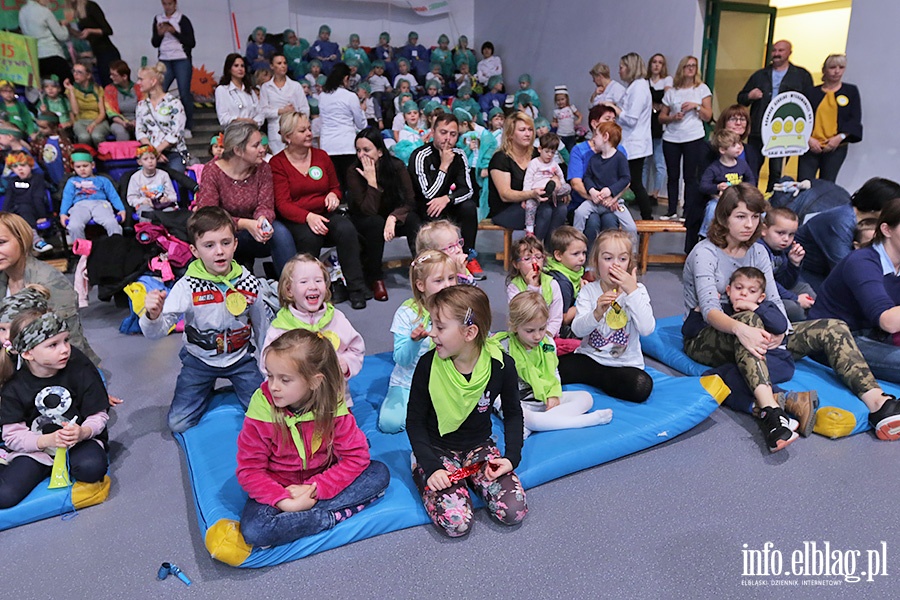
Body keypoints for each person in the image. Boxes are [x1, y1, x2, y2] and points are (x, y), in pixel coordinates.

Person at [683, 184, 900, 450]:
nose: (749, 224)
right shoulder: (704, 253)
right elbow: (710, 311)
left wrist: (781, 332)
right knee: (748, 322)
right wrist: (743, 330)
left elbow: (774, 301)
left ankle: (878, 401)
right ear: (723, 217)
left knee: (833, 327)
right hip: (706, 336)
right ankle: (770, 413)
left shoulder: (758, 251)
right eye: (741, 216)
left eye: (754, 217)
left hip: (758, 330)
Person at [237, 328, 389, 548]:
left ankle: (301, 520)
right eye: (270, 376)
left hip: (322, 479)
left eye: (285, 380)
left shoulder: (331, 405)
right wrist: (284, 501)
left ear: (314, 382)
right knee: (254, 530)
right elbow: (249, 470)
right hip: (280, 487)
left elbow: (356, 457)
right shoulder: (261, 409)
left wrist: (314, 488)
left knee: (379, 473)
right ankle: (328, 516)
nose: (274, 386)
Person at [406, 285, 527, 538]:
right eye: (433, 325)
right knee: (457, 523)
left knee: (514, 511)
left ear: (469, 332)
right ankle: (418, 463)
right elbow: (415, 422)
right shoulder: (428, 365)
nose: (432, 333)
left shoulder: (501, 365)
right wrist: (431, 467)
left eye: (440, 327)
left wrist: (510, 458)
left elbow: (514, 413)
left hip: (479, 448)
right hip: (436, 450)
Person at [140, 207, 267, 432]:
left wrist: (269, 365)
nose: (219, 251)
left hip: (240, 360)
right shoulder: (186, 287)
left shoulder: (248, 282)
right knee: (178, 424)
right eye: (209, 245)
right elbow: (155, 333)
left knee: (267, 417)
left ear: (235, 244)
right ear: (195, 250)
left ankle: (235, 386)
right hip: (199, 361)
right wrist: (152, 315)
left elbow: (261, 325)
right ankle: (205, 388)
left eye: (226, 242)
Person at [0, 309, 109, 509]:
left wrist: (83, 432)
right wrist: (46, 441)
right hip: (35, 450)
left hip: (79, 442)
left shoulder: (80, 370)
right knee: (4, 496)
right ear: (27, 353)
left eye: (66, 340)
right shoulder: (14, 387)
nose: (65, 349)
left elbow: (99, 415)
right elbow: (12, 435)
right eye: (53, 345)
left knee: (91, 469)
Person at [682, 267, 803, 432]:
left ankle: (778, 400)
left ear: (760, 297)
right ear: (729, 290)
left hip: (777, 361)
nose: (744, 294)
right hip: (744, 363)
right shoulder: (723, 311)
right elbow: (689, 331)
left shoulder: (766, 308)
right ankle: (777, 401)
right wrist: (698, 310)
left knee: (721, 376)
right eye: (739, 288)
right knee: (728, 374)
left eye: (751, 291)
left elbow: (780, 325)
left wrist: (753, 307)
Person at [270, 112, 368, 309]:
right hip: (297, 217)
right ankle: (311, 291)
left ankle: (356, 288)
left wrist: (334, 195)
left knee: (346, 229)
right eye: (303, 130)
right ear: (288, 136)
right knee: (310, 237)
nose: (309, 133)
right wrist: (308, 217)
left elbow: (335, 187)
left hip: (324, 213)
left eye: (309, 129)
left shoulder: (321, 156)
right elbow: (282, 204)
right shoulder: (277, 163)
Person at [497, 291, 612, 438]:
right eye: (530, 331)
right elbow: (496, 389)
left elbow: (554, 373)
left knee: (586, 398)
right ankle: (582, 421)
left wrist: (553, 395)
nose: (538, 336)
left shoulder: (548, 343)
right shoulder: (503, 348)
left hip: (542, 399)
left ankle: (536, 425)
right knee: (523, 415)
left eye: (542, 328)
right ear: (514, 326)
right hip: (517, 402)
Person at [557, 230, 655, 402]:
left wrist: (632, 291)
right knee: (552, 368)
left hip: (623, 365)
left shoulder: (637, 291)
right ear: (596, 262)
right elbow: (578, 330)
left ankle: (603, 380)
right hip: (589, 360)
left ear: (629, 264)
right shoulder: (589, 290)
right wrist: (596, 313)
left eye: (622, 259)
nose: (615, 265)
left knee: (641, 386)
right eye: (608, 258)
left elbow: (647, 329)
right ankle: (600, 379)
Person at [810, 198, 900, 383]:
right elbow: (888, 321)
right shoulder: (862, 262)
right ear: (886, 230)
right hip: (837, 340)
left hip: (874, 337)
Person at [261, 254, 365, 405]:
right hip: (295, 404)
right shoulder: (281, 327)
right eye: (303, 282)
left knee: (342, 428)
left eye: (318, 280)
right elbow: (266, 366)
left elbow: (356, 349)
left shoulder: (336, 318)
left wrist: (346, 364)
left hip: (334, 400)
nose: (313, 286)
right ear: (289, 289)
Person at [195, 121, 294, 276]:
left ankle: (291, 288)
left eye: (261, 144)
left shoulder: (263, 168)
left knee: (280, 233)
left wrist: (262, 220)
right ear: (238, 150)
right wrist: (245, 224)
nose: (263, 149)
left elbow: (266, 205)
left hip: (254, 231)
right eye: (256, 146)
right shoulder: (212, 171)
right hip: (223, 234)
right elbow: (208, 214)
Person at [0, 212, 100, 364]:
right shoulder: (3, 277)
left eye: (1, 242)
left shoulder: (49, 281)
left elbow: (70, 342)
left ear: (21, 240)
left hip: (59, 369)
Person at [381, 250, 458, 434]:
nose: (447, 285)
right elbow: (402, 359)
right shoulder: (406, 313)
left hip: (447, 381)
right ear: (421, 285)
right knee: (389, 423)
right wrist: (414, 342)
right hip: (409, 382)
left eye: (452, 278)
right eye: (439, 281)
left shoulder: (460, 309)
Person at [347, 128, 421, 302]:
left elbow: (410, 201)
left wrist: (393, 217)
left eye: (366, 150)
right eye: (358, 150)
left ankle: (422, 270)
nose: (361, 155)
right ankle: (376, 278)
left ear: (379, 152)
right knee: (375, 222)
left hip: (393, 215)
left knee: (413, 220)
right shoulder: (353, 171)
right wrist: (371, 182)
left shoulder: (396, 166)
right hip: (365, 219)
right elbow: (368, 210)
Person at [408, 113, 483, 279]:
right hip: (425, 208)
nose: (448, 138)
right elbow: (428, 194)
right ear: (433, 132)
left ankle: (468, 256)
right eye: (443, 132)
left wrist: (448, 198)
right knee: (415, 216)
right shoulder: (420, 156)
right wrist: (444, 166)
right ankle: (424, 264)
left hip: (447, 204)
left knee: (469, 207)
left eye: (453, 134)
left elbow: (468, 190)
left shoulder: (460, 154)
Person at [795, 177, 900, 293]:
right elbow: (846, 268)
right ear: (877, 207)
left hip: (824, 272)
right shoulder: (840, 221)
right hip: (804, 274)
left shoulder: (854, 216)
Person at [737, 40, 813, 190]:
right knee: (752, 168)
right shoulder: (759, 75)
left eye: (781, 50)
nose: (777, 54)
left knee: (777, 172)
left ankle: (772, 204)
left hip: (785, 133)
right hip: (758, 130)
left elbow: (809, 104)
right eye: (774, 50)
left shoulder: (801, 76)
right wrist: (750, 95)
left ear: (789, 52)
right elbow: (741, 98)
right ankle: (751, 200)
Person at [488, 112, 567, 248]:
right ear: (510, 134)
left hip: (536, 202)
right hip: (506, 209)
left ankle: (550, 252)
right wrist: (531, 194)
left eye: (530, 129)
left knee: (561, 209)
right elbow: (505, 195)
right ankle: (533, 251)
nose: (528, 134)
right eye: (522, 130)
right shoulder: (500, 158)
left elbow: (553, 170)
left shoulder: (536, 154)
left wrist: (556, 182)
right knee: (545, 210)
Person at [659, 55, 712, 239]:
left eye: (694, 66)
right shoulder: (672, 91)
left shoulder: (702, 89)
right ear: (681, 68)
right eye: (687, 66)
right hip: (672, 137)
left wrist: (696, 106)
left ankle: (688, 211)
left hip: (693, 136)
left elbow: (708, 115)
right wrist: (673, 117)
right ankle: (671, 210)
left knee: (691, 176)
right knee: (673, 175)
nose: (690, 69)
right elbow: (661, 117)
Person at [798, 54, 862, 183]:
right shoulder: (811, 92)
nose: (837, 71)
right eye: (832, 67)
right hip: (810, 146)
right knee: (804, 183)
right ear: (825, 69)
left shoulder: (851, 91)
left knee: (827, 184)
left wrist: (839, 138)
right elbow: (800, 119)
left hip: (836, 147)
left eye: (841, 67)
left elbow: (854, 119)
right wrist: (808, 139)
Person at [757, 207, 815, 323]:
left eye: (791, 234)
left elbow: (785, 282)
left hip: (776, 288)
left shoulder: (780, 250)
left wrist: (794, 263)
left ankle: (818, 323)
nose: (786, 239)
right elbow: (767, 283)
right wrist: (796, 298)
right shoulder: (758, 249)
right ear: (764, 230)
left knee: (806, 289)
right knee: (793, 308)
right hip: (759, 293)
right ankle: (801, 333)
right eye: (780, 233)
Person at [573, 121, 630, 237]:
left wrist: (611, 191)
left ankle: (630, 252)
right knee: (579, 213)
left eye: (596, 135)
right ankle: (576, 241)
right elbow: (587, 177)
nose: (593, 139)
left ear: (605, 137)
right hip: (594, 201)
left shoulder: (620, 158)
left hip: (614, 202)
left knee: (630, 227)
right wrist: (592, 191)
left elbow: (625, 179)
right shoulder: (594, 159)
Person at [317, 63, 367, 194]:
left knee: (334, 186)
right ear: (346, 78)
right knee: (350, 184)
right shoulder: (350, 96)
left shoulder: (322, 96)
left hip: (328, 145)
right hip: (347, 145)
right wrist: (362, 111)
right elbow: (361, 124)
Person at [616, 53, 654, 221]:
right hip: (630, 141)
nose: (620, 71)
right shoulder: (634, 87)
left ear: (630, 68)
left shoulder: (639, 87)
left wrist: (615, 109)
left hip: (635, 142)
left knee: (635, 183)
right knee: (632, 182)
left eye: (622, 67)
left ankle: (647, 218)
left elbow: (631, 119)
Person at [698, 129, 756, 237]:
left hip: (740, 199)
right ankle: (705, 234)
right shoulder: (714, 168)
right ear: (723, 150)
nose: (739, 146)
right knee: (711, 209)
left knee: (759, 210)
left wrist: (743, 188)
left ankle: (756, 233)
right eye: (734, 145)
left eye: (739, 143)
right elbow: (703, 186)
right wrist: (717, 187)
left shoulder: (742, 164)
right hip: (720, 201)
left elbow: (751, 180)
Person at [135, 62, 188, 173]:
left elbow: (176, 133)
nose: (138, 83)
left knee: (176, 173)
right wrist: (152, 153)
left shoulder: (174, 103)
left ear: (153, 81)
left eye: (141, 79)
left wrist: (157, 151)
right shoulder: (141, 105)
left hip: (173, 152)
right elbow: (140, 132)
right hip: (150, 152)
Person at [152, 0, 195, 135]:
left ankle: (187, 126)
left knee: (184, 92)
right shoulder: (158, 19)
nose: (167, 7)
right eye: (165, 4)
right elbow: (154, 42)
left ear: (175, 4)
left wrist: (174, 31)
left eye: (170, 4)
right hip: (164, 59)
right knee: (159, 91)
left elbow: (191, 42)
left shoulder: (182, 19)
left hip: (181, 59)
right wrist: (159, 34)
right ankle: (160, 124)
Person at [61, 150, 125, 241]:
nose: (82, 169)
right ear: (73, 168)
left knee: (111, 222)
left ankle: (117, 247)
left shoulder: (103, 180)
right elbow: (67, 198)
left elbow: (113, 195)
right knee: (74, 225)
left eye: (85, 166)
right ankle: (82, 252)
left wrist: (121, 209)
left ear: (93, 165)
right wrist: (63, 213)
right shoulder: (71, 181)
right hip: (80, 205)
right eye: (78, 167)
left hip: (100, 204)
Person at [506, 237, 563, 338]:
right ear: (516, 264)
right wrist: (531, 288)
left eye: (538, 257)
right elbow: (520, 315)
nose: (534, 263)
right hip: (523, 335)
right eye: (527, 259)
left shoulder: (552, 284)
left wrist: (547, 336)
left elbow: (556, 318)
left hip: (548, 334)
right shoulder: (514, 287)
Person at [521, 132, 571, 237]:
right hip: (536, 191)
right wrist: (525, 196)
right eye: (547, 151)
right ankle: (529, 230)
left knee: (567, 187)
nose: (549, 155)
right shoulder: (534, 163)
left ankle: (550, 193)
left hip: (552, 192)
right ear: (540, 149)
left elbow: (561, 176)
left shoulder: (554, 164)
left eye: (552, 153)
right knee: (530, 206)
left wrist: (564, 190)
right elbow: (528, 179)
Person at [3, 153, 53, 253]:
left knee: (24, 208)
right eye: (15, 166)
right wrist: (3, 216)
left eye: (23, 165)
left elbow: (38, 198)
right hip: (15, 211)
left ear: (30, 165)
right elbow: (8, 199)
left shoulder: (37, 179)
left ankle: (35, 240)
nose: (20, 169)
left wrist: (42, 215)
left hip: (32, 210)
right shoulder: (12, 181)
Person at [260, 53, 309, 155]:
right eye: (279, 63)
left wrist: (298, 120)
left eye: (284, 63)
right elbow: (263, 111)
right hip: (275, 129)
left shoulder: (295, 86)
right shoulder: (266, 87)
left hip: (294, 128)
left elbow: (305, 109)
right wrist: (281, 111)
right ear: (272, 66)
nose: (283, 66)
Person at [545, 225, 589, 340]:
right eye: (576, 254)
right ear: (558, 255)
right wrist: (585, 297)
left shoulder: (569, 270)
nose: (582, 258)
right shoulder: (562, 282)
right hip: (559, 331)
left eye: (584, 253)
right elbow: (563, 318)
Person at [18, 0, 72, 84]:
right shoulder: (45, 12)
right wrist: (64, 25)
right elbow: (62, 36)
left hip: (35, 59)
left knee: (45, 91)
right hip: (52, 54)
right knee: (67, 86)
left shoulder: (22, 12)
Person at [643, 53, 672, 202]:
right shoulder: (644, 81)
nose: (656, 65)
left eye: (660, 62)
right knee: (645, 163)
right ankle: (642, 193)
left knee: (659, 162)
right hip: (645, 123)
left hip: (659, 125)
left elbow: (666, 100)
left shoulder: (667, 80)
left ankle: (654, 193)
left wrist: (657, 105)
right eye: (654, 62)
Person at [73, 0, 119, 87]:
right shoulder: (75, 11)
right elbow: (82, 34)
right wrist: (70, 30)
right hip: (94, 54)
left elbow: (108, 30)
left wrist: (90, 31)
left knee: (109, 86)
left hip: (106, 52)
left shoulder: (90, 6)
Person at [64, 61, 111, 147]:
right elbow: (75, 111)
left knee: (96, 136)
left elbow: (102, 113)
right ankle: (85, 158)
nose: (75, 74)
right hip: (80, 121)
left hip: (97, 120)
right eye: (74, 71)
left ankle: (103, 157)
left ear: (88, 75)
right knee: (84, 137)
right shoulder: (71, 89)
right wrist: (71, 90)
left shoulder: (98, 89)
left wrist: (93, 124)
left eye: (79, 72)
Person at [126, 144, 178, 220]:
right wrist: (143, 201)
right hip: (145, 205)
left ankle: (169, 231)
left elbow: (173, 196)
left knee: (169, 212)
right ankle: (148, 231)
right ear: (140, 162)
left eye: (152, 158)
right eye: (145, 159)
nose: (150, 161)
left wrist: (167, 199)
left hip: (163, 205)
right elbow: (131, 198)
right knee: (146, 213)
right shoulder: (135, 177)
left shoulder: (163, 175)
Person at [215, 54, 262, 128]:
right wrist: (243, 121)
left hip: (252, 132)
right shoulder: (222, 90)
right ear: (229, 69)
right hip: (234, 133)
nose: (240, 69)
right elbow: (223, 118)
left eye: (242, 66)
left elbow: (260, 113)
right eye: (236, 66)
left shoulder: (250, 90)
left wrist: (253, 122)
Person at [105, 60, 143, 141]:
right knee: (122, 132)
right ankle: (123, 153)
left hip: (138, 120)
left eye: (114, 75)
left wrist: (136, 122)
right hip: (119, 121)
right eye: (111, 74)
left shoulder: (139, 89)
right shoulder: (109, 89)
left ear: (124, 77)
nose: (111, 77)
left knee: (143, 131)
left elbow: (145, 108)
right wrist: (124, 123)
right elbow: (111, 112)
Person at [551, 85, 582, 152]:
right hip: (561, 135)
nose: (560, 102)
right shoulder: (556, 112)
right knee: (562, 151)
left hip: (571, 135)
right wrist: (554, 124)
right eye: (558, 100)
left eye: (562, 99)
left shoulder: (571, 108)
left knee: (572, 150)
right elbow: (554, 122)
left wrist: (579, 120)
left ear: (566, 99)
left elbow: (579, 115)